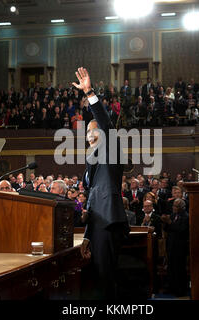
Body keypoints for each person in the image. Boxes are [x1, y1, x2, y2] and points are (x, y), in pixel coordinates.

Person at [73, 67, 129, 299]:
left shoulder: (111, 150)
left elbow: (104, 122)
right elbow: (92, 199)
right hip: (97, 224)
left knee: (107, 278)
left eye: (93, 131)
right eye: (86, 133)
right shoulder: (91, 162)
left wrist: (89, 92)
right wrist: (86, 235)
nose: (89, 135)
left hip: (109, 222)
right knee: (97, 277)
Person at [160, 198, 189, 297]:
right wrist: (164, 222)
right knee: (171, 268)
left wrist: (169, 223)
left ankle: (180, 290)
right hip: (171, 245)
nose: (173, 208)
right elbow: (168, 229)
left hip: (180, 247)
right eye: (173, 206)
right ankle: (171, 287)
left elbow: (181, 230)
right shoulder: (173, 215)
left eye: (175, 206)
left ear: (181, 208)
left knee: (179, 268)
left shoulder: (186, 217)